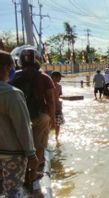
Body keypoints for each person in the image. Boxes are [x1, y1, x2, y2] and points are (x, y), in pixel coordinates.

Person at [10, 46, 56, 186]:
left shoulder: (14, 76)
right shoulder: (44, 77)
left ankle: (22, 174)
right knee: (39, 146)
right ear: (37, 60)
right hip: (40, 116)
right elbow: (51, 101)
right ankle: (32, 175)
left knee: (21, 146)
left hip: (18, 117)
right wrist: (52, 118)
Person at [0, 50, 38, 197]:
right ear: (5, 68)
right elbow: (23, 127)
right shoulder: (12, 94)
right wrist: (31, 154)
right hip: (12, 153)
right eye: (12, 66)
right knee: (13, 191)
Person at [51, 71, 65, 141]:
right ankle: (56, 138)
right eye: (59, 77)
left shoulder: (49, 85)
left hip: (52, 107)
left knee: (53, 124)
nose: (60, 79)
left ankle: (56, 138)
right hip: (56, 108)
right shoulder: (59, 87)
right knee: (58, 124)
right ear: (54, 77)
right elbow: (58, 96)